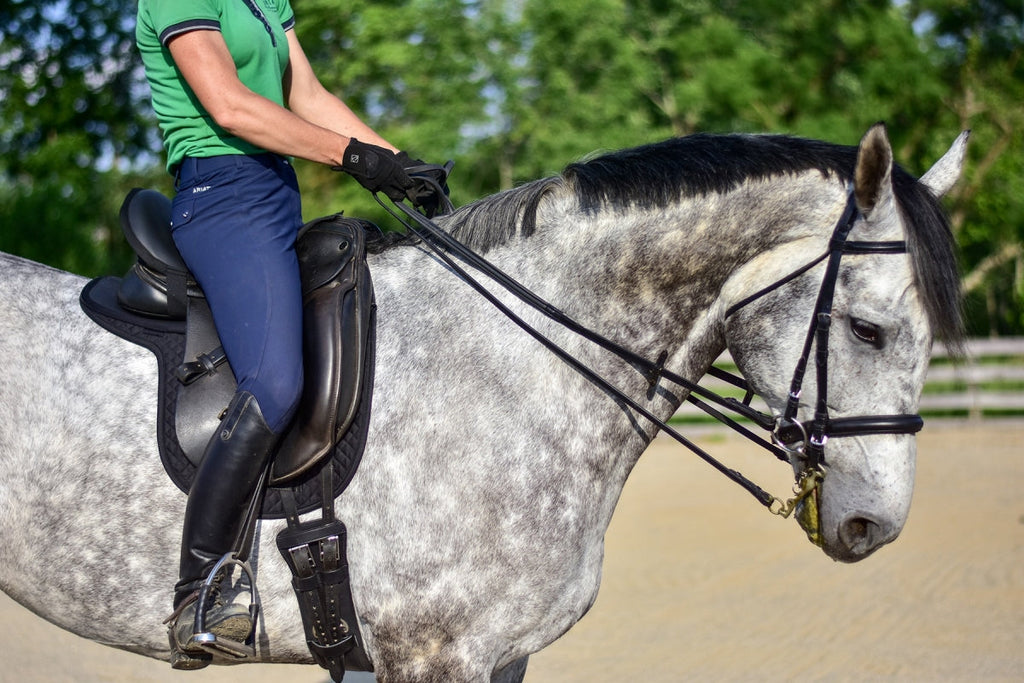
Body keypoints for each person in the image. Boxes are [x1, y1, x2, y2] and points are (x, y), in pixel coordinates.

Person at [135, 0, 444, 669]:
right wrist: (354, 156)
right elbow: (232, 107)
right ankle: (202, 590)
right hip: (220, 193)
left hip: (277, 190)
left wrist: (400, 163)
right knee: (274, 382)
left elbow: (305, 93)